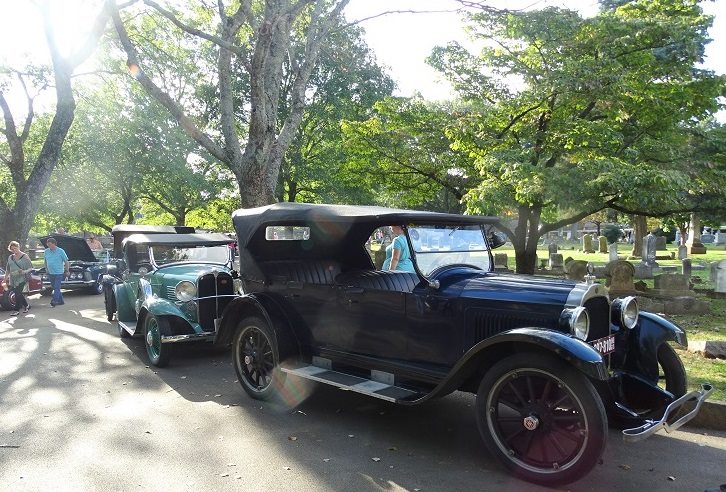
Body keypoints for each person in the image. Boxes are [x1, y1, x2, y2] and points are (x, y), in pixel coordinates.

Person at [4, 241, 34, 315]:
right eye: (12, 249)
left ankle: (16, 310)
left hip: (22, 278)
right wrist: (5, 279)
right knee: (18, 293)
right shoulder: (10, 257)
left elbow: (31, 268)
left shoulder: (25, 256)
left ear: (18, 247)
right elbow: (8, 269)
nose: (14, 250)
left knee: (17, 293)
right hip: (13, 278)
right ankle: (27, 305)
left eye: (15, 248)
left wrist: (24, 271)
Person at [44, 237, 70, 307]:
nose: (48, 246)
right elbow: (45, 261)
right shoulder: (46, 251)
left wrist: (67, 270)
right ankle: (61, 301)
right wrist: (46, 268)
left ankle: (54, 301)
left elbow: (66, 261)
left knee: (57, 287)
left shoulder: (61, 251)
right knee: (55, 287)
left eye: (50, 244)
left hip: (59, 272)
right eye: (47, 244)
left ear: (54, 244)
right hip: (50, 272)